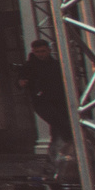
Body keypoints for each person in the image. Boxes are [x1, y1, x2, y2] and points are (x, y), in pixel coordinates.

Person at [21, 38, 74, 180]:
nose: (41, 54)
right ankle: (58, 161)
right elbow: (20, 80)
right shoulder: (29, 66)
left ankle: (55, 164)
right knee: (62, 127)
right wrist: (22, 83)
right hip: (42, 103)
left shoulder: (56, 65)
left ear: (49, 50)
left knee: (58, 129)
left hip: (59, 102)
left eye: (43, 51)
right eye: (38, 52)